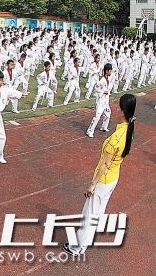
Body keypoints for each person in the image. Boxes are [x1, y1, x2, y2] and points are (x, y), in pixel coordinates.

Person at [63, 94, 136, 257]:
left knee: (88, 215)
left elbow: (104, 164)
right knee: (98, 213)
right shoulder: (129, 130)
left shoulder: (116, 137)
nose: (116, 109)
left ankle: (76, 248)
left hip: (103, 180)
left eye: (119, 107)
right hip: (113, 178)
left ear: (123, 112)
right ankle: (84, 245)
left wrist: (92, 184)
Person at [86, 63, 113, 138]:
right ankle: (90, 130)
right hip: (100, 101)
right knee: (97, 116)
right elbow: (96, 89)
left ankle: (104, 126)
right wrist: (103, 92)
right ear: (106, 71)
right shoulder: (102, 80)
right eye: (110, 71)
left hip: (106, 101)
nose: (111, 72)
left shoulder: (108, 79)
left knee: (108, 113)